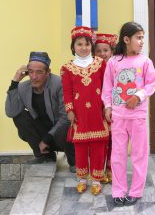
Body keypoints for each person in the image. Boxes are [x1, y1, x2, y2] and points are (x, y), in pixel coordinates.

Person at [102, 22, 155, 206]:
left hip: (138, 117)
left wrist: (138, 96)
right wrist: (108, 106)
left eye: (142, 37)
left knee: (139, 155)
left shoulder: (145, 61)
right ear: (126, 39)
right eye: (138, 38)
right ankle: (118, 191)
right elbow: (108, 86)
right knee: (117, 155)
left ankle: (135, 191)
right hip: (118, 117)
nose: (141, 41)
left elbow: (151, 84)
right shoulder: (113, 62)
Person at [5, 52, 76, 172]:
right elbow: (11, 112)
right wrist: (15, 82)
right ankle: (45, 156)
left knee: (65, 125)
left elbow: (65, 117)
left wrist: (46, 139)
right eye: (31, 72)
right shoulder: (23, 87)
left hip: (61, 134)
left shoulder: (59, 84)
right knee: (20, 116)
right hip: (43, 132)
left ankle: (74, 161)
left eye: (39, 72)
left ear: (48, 72)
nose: (34, 76)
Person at [60, 26, 109, 196]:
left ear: (91, 46)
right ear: (73, 46)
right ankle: (82, 179)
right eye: (79, 44)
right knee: (80, 147)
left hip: (98, 112)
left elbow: (106, 88)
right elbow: (67, 92)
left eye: (87, 44)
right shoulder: (67, 68)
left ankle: (96, 180)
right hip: (79, 114)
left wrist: (107, 107)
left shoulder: (100, 64)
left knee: (98, 146)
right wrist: (69, 110)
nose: (83, 47)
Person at [94, 33, 117, 184]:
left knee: (114, 142)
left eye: (106, 50)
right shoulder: (92, 68)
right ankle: (99, 170)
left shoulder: (117, 66)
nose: (102, 54)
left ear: (112, 51)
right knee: (100, 141)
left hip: (114, 109)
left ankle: (111, 169)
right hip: (97, 109)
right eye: (99, 51)